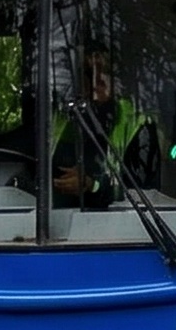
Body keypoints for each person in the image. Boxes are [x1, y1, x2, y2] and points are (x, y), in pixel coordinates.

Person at [55, 42, 161, 209]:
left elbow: (140, 193)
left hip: (121, 228)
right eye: (89, 73)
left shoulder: (138, 126)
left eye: (103, 71)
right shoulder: (66, 125)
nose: (96, 81)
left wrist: (93, 185)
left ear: (117, 78)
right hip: (63, 227)